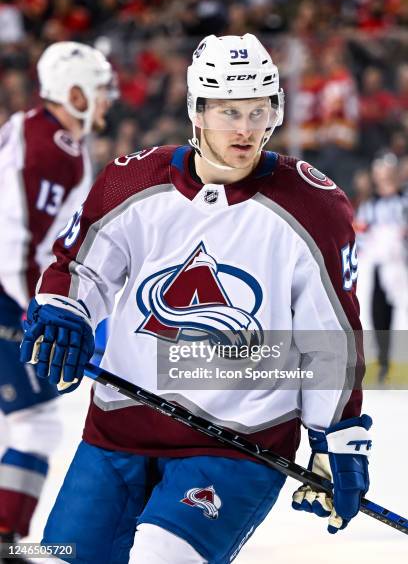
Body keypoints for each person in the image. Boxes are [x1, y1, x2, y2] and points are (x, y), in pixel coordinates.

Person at [20, 34, 371, 564]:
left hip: (236, 445)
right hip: (117, 433)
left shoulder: (314, 207)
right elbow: (79, 269)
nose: (246, 129)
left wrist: (336, 436)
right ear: (197, 111)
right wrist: (65, 312)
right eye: (229, 112)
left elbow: (330, 339)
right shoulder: (131, 180)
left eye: (259, 111)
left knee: (161, 556)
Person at [0, 41, 114, 555]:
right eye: (101, 90)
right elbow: (19, 243)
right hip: (6, 294)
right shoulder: (55, 148)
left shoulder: (36, 132)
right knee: (35, 421)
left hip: (9, 291)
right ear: (74, 92)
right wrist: (42, 314)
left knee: (31, 421)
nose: (109, 100)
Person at [355, 153, 408, 383]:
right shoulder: (369, 206)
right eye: (380, 175)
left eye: (389, 174)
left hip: (402, 266)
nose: (384, 179)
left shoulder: (404, 202)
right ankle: (382, 362)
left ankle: (400, 362)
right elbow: (358, 236)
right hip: (377, 268)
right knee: (377, 314)